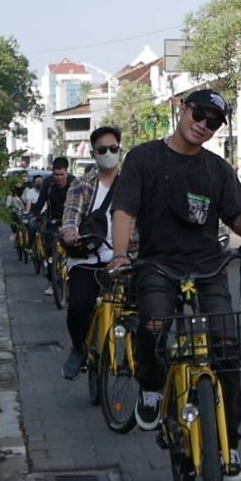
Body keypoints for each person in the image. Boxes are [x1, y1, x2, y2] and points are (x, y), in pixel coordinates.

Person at [109, 89, 241, 481]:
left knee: (227, 348)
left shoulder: (217, 169)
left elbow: (239, 228)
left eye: (213, 122)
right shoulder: (144, 158)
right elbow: (124, 209)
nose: (203, 125)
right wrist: (121, 255)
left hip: (209, 267)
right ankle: (151, 387)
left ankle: (230, 445)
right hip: (158, 263)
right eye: (199, 114)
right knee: (155, 324)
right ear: (182, 109)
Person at [58, 127, 136, 380]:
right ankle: (78, 348)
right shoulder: (82, 184)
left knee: (145, 309)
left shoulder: (132, 184)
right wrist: (70, 233)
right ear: (93, 153)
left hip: (126, 259)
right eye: (102, 150)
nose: (109, 154)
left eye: (113, 149)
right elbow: (70, 216)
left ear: (120, 150)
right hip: (88, 258)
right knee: (79, 306)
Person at [31, 157, 75, 295]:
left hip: (71, 221)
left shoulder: (75, 183)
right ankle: (52, 282)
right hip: (53, 220)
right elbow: (40, 202)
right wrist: (36, 214)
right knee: (51, 254)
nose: (59, 178)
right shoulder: (48, 184)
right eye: (56, 175)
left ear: (66, 173)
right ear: (52, 173)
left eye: (62, 175)